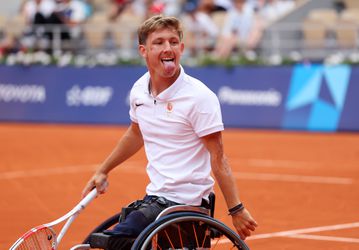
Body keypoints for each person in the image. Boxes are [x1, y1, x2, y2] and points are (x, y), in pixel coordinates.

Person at [82, 14, 258, 248]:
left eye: (173, 42)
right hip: (156, 198)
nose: (168, 48)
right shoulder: (138, 91)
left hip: (186, 201)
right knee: (114, 239)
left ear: (182, 48)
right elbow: (136, 133)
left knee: (112, 242)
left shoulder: (199, 97)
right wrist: (103, 170)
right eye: (159, 42)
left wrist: (236, 208)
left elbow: (219, 158)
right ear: (143, 50)